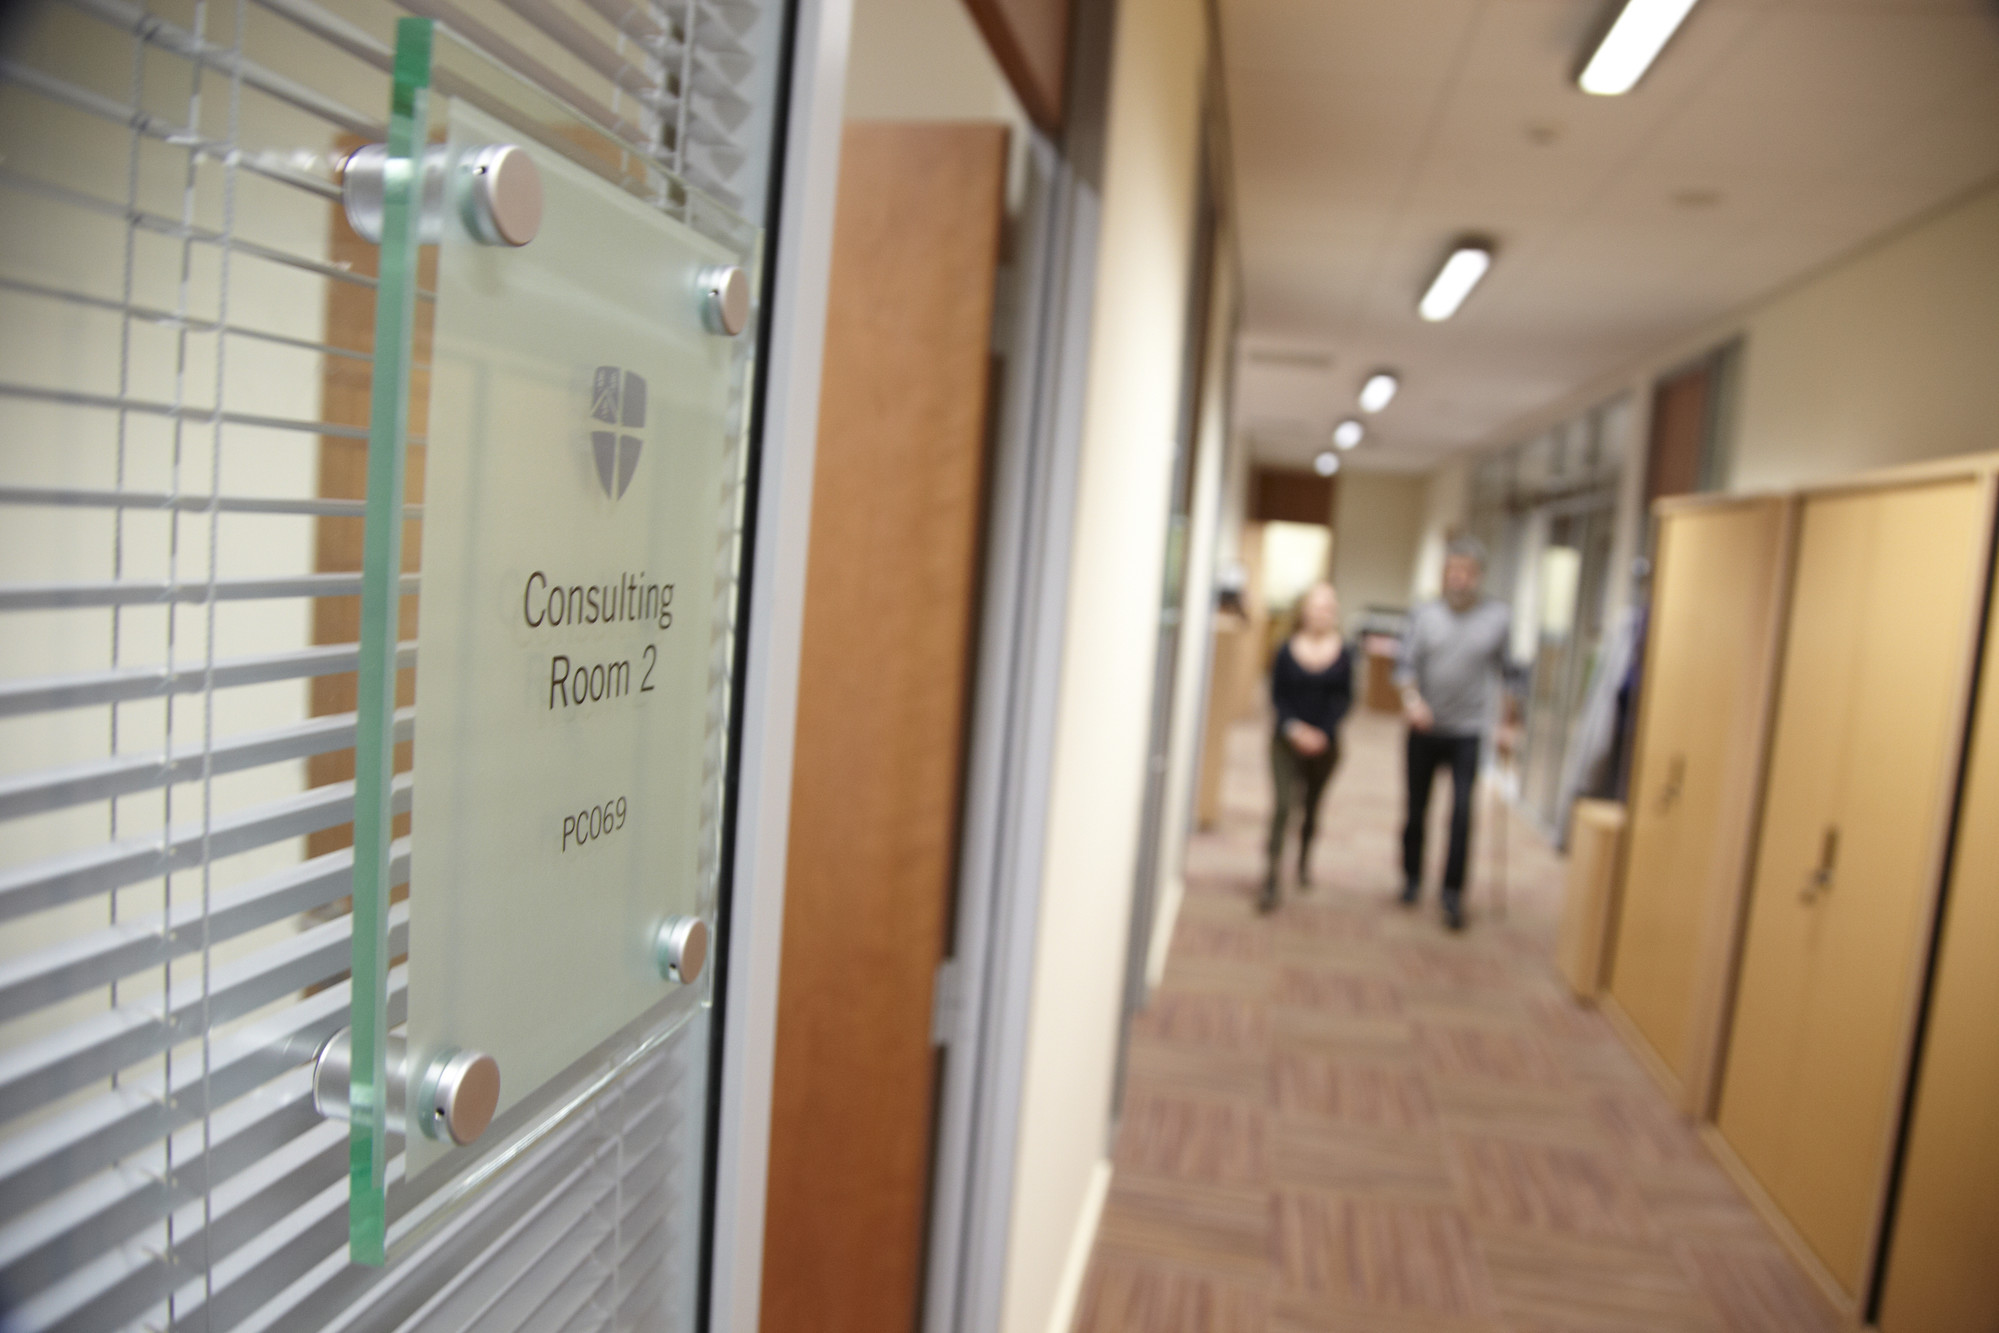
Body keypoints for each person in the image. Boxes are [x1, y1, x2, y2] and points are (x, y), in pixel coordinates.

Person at [1396, 536, 1517, 930]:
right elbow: (1404, 667)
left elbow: (1511, 674)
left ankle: (1452, 893)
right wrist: (1414, 703)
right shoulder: (1424, 614)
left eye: (1466, 571)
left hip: (1469, 732)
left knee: (1463, 814)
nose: (1459, 578)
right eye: (1452, 570)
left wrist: (1508, 723)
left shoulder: (1498, 617)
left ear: (1478, 576)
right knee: (1417, 808)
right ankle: (1412, 878)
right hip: (1425, 727)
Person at [1264, 582, 1354, 912]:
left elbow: (1345, 700)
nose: (1322, 614)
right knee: (1284, 805)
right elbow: (1277, 697)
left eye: (1329, 608)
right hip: (1286, 742)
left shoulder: (1344, 653)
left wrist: (1322, 734)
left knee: (1312, 807)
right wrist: (1296, 729)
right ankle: (1272, 874)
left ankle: (1303, 862)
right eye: (1316, 607)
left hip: (1326, 746)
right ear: (1304, 610)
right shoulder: (1285, 650)